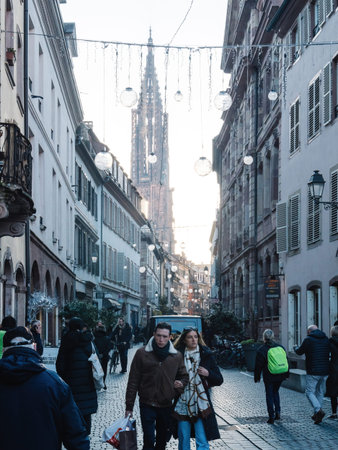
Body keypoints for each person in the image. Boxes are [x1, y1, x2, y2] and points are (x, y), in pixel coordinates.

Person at [0, 326, 89, 450]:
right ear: (35, 347)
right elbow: (75, 433)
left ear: (4, 350)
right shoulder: (54, 383)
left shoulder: (54, 383)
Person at [125, 322, 189, 450]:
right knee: (148, 440)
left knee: (161, 441)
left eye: (165, 336)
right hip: (146, 403)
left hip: (166, 404)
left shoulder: (176, 356)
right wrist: (129, 407)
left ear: (170, 337)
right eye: (158, 335)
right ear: (154, 334)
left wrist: (180, 383)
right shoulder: (142, 353)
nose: (161, 339)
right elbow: (133, 381)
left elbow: (184, 376)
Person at [173, 327, 223, 450]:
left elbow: (219, 379)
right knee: (184, 440)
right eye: (190, 337)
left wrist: (208, 373)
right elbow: (168, 377)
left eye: (196, 337)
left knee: (202, 439)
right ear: (184, 340)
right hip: (182, 403)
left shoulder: (206, 355)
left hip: (201, 404)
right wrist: (175, 382)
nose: (193, 340)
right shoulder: (176, 356)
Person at [56, 317, 98, 434]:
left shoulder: (66, 342)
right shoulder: (88, 340)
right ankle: (86, 438)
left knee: (72, 414)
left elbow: (60, 365)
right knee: (86, 415)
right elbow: (96, 360)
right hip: (87, 384)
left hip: (71, 386)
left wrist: (65, 378)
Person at [294, 324, 330, 424]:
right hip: (325, 371)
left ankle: (318, 410)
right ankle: (318, 415)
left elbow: (300, 352)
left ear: (309, 331)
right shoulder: (326, 339)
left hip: (313, 370)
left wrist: (295, 347)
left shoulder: (308, 339)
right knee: (319, 391)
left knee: (309, 392)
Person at [254, 329, 289, 424]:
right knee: (275, 392)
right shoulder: (280, 347)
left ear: (264, 337)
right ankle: (278, 412)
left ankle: (271, 416)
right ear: (273, 337)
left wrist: (257, 377)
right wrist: (286, 374)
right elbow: (286, 361)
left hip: (269, 375)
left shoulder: (262, 349)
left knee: (269, 394)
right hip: (280, 375)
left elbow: (258, 365)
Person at [94, 323, 112, 389]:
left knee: (96, 370)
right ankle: (103, 383)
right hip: (105, 356)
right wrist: (104, 354)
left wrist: (98, 354)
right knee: (104, 369)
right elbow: (109, 347)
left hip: (96, 357)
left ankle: (97, 383)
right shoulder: (107, 338)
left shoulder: (94, 338)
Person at [326, 325, 338, 419]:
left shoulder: (329, 342)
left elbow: (327, 356)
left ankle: (334, 413)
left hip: (333, 369)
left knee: (333, 392)